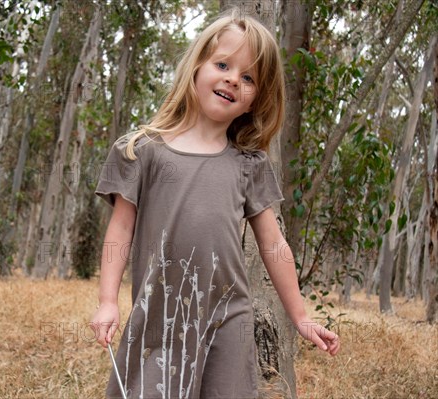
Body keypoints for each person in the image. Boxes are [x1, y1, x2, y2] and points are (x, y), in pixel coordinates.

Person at [90, 8, 340, 399]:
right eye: (222, 64)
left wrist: (301, 317)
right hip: (161, 317)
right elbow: (120, 230)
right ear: (196, 66)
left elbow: (274, 246)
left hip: (228, 319)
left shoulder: (248, 165)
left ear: (256, 99)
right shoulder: (142, 151)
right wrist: (107, 302)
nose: (231, 79)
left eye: (248, 78)